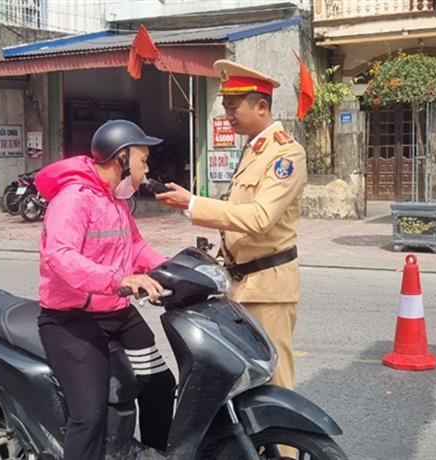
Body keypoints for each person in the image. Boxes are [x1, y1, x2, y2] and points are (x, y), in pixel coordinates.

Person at [156, 59, 307, 390]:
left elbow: (259, 217)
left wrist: (193, 204)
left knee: (275, 382)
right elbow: (236, 211)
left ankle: (286, 444)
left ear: (262, 106)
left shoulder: (286, 154)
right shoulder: (254, 151)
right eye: (225, 105)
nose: (227, 114)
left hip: (268, 287)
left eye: (233, 106)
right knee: (247, 379)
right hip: (240, 282)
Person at [35, 120, 176, 459]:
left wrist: (173, 270)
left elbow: (136, 247)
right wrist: (119, 280)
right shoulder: (74, 199)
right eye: (143, 161)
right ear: (122, 158)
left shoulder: (114, 201)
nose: (146, 169)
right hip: (70, 319)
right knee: (90, 413)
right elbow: (60, 256)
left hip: (115, 312)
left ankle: (154, 453)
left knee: (160, 384)